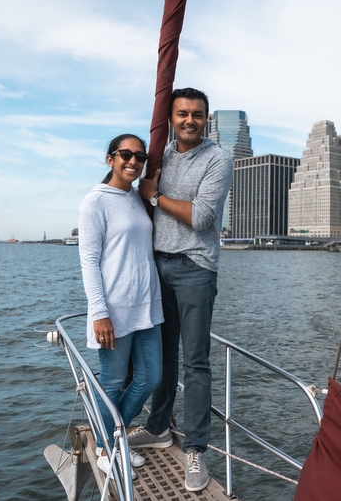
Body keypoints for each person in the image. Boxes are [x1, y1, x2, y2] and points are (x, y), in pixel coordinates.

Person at [132, 88, 232, 492]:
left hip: (194, 268)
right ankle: (158, 427)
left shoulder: (217, 159)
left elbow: (203, 218)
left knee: (195, 362)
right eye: (182, 114)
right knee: (160, 356)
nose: (190, 120)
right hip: (158, 265)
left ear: (206, 119)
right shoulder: (161, 156)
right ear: (171, 118)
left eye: (197, 114)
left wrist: (154, 195)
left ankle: (195, 449)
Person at [78, 134, 164, 480]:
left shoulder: (135, 198)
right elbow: (89, 259)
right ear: (110, 159)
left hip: (146, 305)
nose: (133, 161)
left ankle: (111, 439)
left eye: (139, 156)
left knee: (151, 377)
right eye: (125, 154)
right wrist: (99, 311)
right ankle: (105, 448)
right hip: (114, 308)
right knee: (113, 380)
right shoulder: (95, 201)